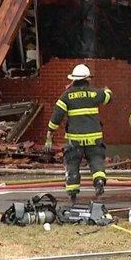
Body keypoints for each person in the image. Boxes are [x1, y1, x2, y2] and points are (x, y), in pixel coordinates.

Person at [44, 63, 112, 200]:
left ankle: (73, 193)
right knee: (96, 160)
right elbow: (109, 97)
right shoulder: (94, 93)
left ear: (73, 79)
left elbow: (56, 117)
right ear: (87, 79)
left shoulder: (66, 96)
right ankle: (99, 181)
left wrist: (50, 132)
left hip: (75, 139)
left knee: (72, 163)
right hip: (94, 138)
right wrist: (106, 90)